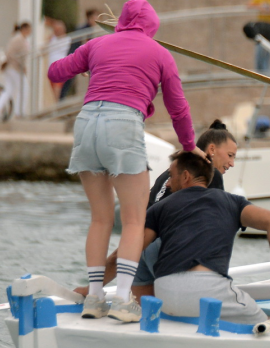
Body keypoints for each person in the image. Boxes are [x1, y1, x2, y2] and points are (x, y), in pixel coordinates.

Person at [47, 0, 202, 320]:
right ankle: (121, 300)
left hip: (87, 122)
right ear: (152, 27)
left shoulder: (97, 44)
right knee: (134, 220)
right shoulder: (160, 54)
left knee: (100, 218)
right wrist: (189, 145)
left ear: (121, 21)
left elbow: (55, 71)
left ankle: (93, 298)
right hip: (123, 125)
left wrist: (91, 66)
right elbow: (179, 108)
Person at [135, 151, 270, 324]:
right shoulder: (232, 202)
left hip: (165, 294)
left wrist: (100, 287)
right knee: (268, 326)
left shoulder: (159, 208)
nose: (168, 183)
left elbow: (128, 253)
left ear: (186, 176)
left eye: (171, 176)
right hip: (209, 291)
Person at [89, 120, 239, 302]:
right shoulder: (209, 175)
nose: (231, 163)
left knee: (145, 312)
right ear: (212, 150)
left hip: (140, 250)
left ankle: (92, 293)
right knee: (183, 312)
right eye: (230, 155)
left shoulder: (169, 173)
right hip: (168, 249)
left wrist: (95, 286)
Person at [0, 22, 30, 121]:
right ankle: (19, 112)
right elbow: (11, 53)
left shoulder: (20, 39)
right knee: (24, 88)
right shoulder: (19, 39)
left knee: (9, 89)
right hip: (13, 67)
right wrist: (21, 65)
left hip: (13, 67)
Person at [46, 20, 70, 100]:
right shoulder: (53, 39)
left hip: (60, 66)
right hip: (51, 66)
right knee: (54, 89)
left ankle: (57, 107)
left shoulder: (68, 39)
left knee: (58, 88)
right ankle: (56, 105)